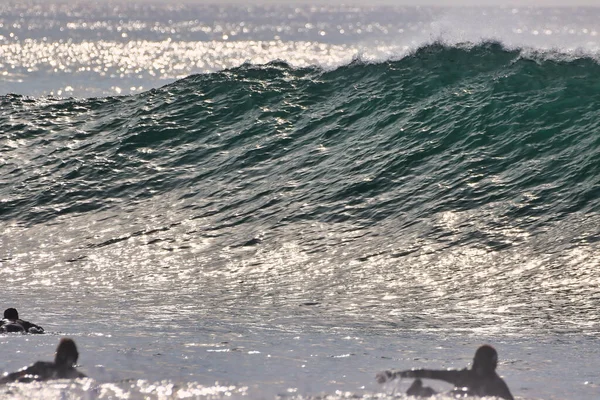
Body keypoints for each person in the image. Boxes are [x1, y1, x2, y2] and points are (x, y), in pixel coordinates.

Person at [376, 345, 514, 400]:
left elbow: (427, 373)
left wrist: (395, 375)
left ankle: (417, 391)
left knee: (430, 393)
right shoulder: (497, 384)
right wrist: (395, 375)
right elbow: (428, 373)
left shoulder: (463, 376)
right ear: (494, 365)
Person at [0, 338, 86, 384]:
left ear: (56, 355)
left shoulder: (41, 367)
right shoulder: (81, 378)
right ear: (76, 357)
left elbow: (13, 376)